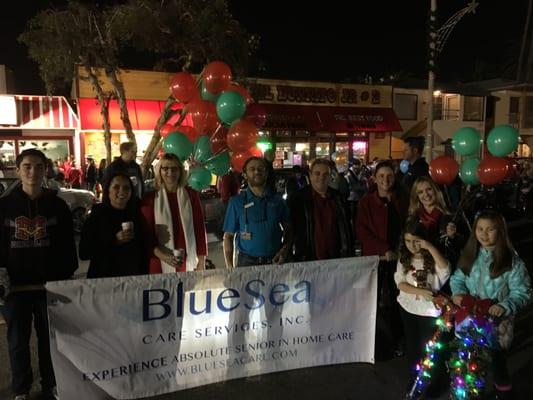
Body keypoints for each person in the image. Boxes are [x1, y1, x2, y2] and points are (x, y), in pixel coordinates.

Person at [0, 148, 78, 400]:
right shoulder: (4, 206)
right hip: (15, 290)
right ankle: (21, 390)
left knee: (50, 342)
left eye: (39, 167)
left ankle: (51, 384)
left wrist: (65, 275)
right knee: (17, 342)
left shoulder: (58, 206)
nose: (33, 172)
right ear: (18, 170)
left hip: (49, 288)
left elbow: (68, 246)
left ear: (46, 170)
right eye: (27, 166)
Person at [450, 210, 532, 399]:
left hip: (495, 327)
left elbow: (524, 291)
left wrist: (505, 305)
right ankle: (468, 393)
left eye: (490, 229)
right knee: (467, 363)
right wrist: (458, 294)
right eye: (480, 228)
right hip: (469, 322)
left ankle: (503, 393)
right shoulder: (471, 255)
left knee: (497, 366)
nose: (484, 234)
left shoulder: (511, 262)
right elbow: (457, 279)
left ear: (500, 231)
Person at [356, 160, 408, 360]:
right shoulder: (366, 203)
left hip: (399, 260)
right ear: (375, 179)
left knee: (397, 301)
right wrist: (384, 249)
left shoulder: (401, 200)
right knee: (373, 303)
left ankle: (398, 340)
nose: (386, 180)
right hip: (376, 259)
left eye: (389, 176)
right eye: (381, 176)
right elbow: (362, 230)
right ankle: (375, 343)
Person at [394, 218, 451, 396]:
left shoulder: (432, 258)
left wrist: (429, 246)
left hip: (428, 312)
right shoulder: (405, 259)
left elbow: (445, 269)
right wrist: (418, 291)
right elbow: (400, 283)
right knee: (413, 346)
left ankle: (435, 380)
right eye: (408, 241)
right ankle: (415, 379)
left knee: (431, 347)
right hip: (408, 308)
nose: (412, 245)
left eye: (416, 240)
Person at [140, 153, 207, 273]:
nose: (170, 172)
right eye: (165, 168)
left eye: (174, 168)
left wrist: (201, 261)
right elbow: (145, 235)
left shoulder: (191, 195)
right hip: (160, 261)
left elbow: (199, 229)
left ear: (180, 171)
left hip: (186, 261)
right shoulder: (150, 199)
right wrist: (163, 256)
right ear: (159, 171)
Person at [223, 156, 292, 268]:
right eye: (252, 169)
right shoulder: (236, 202)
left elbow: (289, 229)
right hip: (246, 262)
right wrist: (229, 267)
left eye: (261, 168)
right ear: (245, 175)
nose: (257, 171)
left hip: (275, 261)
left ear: (266, 173)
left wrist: (284, 251)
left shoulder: (278, 200)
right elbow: (228, 236)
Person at [79, 173, 146, 278]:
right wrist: (114, 240)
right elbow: (84, 252)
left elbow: (142, 249)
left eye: (126, 187)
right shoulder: (97, 215)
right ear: (108, 191)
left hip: (131, 280)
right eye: (116, 187)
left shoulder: (136, 214)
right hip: (104, 279)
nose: (122, 191)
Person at [288, 158, 353, 261]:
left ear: (330, 176)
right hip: (309, 261)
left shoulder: (339, 198)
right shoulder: (298, 199)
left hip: (336, 260)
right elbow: (292, 230)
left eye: (325, 174)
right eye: (317, 174)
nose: (321, 178)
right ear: (310, 175)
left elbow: (346, 228)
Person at [408, 176, 464, 268]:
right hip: (421, 266)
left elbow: (460, 247)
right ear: (416, 196)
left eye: (429, 189)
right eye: (420, 192)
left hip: (445, 266)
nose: (426, 194)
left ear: (435, 190)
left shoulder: (450, 216)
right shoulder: (413, 218)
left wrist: (452, 237)